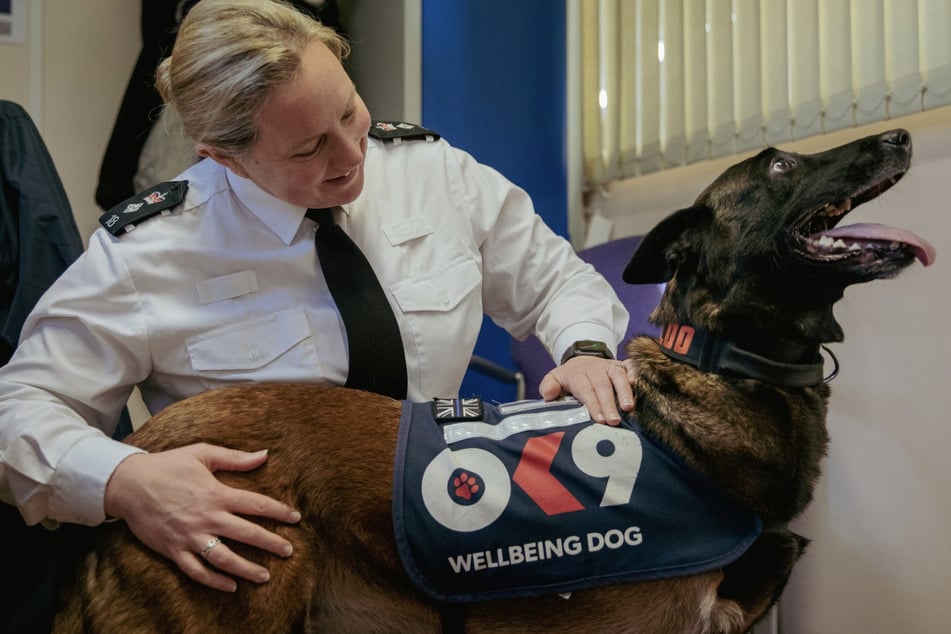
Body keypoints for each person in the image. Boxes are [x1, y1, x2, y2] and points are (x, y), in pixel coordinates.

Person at [0, 0, 634, 596]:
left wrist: (581, 348)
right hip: (269, 561)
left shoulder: (432, 172)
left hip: (445, 517)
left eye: (351, 111)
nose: (353, 153)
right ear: (225, 157)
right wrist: (125, 481)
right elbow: (20, 407)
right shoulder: (149, 253)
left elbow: (557, 281)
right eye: (308, 149)